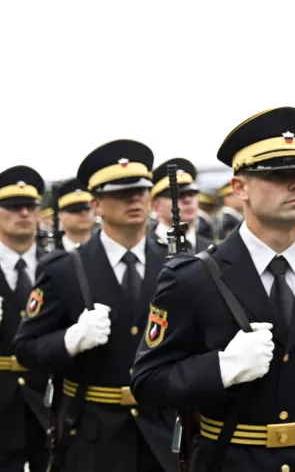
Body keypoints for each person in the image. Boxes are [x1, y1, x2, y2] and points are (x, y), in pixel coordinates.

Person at [130, 107, 295, 472]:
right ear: (240, 187)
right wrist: (221, 368)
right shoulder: (192, 277)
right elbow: (148, 383)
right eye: (278, 173)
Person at [14, 140, 173, 472]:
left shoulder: (174, 267)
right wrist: (70, 340)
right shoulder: (63, 270)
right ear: (97, 204)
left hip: (160, 434)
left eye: (141, 190)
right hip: (93, 437)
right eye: (121, 193)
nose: (134, 199)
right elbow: (27, 348)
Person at [0, 166, 48, 471]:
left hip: (45, 397)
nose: (24, 214)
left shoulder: (59, 268)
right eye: (13, 207)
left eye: (30, 206)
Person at [147, 158, 212, 254]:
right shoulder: (146, 251)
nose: (188, 200)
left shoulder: (211, 248)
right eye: (177, 195)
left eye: (192, 194)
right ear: (155, 206)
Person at [52, 178, 96, 250]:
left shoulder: (108, 251)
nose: (83, 213)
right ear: (60, 216)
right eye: (75, 210)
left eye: (87, 209)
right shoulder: (51, 255)